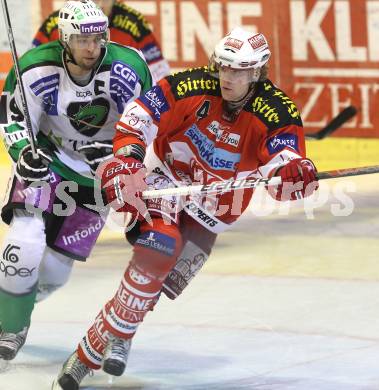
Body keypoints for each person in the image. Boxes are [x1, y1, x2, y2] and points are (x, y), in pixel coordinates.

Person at [52, 27, 319, 390]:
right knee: (159, 248)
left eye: (239, 71)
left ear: (257, 73)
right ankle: (84, 358)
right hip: (168, 179)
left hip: (215, 208)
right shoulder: (191, 85)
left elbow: (283, 165)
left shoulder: (277, 111)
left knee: (155, 284)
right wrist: (128, 159)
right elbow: (140, 114)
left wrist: (294, 173)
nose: (228, 77)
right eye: (224, 67)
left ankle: (120, 332)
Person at [0, 0, 153, 361]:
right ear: (64, 39)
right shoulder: (36, 68)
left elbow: (149, 120)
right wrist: (24, 154)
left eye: (99, 38)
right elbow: (14, 121)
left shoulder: (127, 67)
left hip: (96, 177)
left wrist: (122, 157)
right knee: (23, 244)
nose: (92, 48)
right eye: (82, 40)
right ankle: (11, 326)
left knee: (54, 273)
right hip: (48, 163)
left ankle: (8, 304)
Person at [32, 0, 170, 82]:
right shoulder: (56, 24)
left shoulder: (134, 24)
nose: (100, 5)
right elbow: (31, 71)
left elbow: (159, 75)